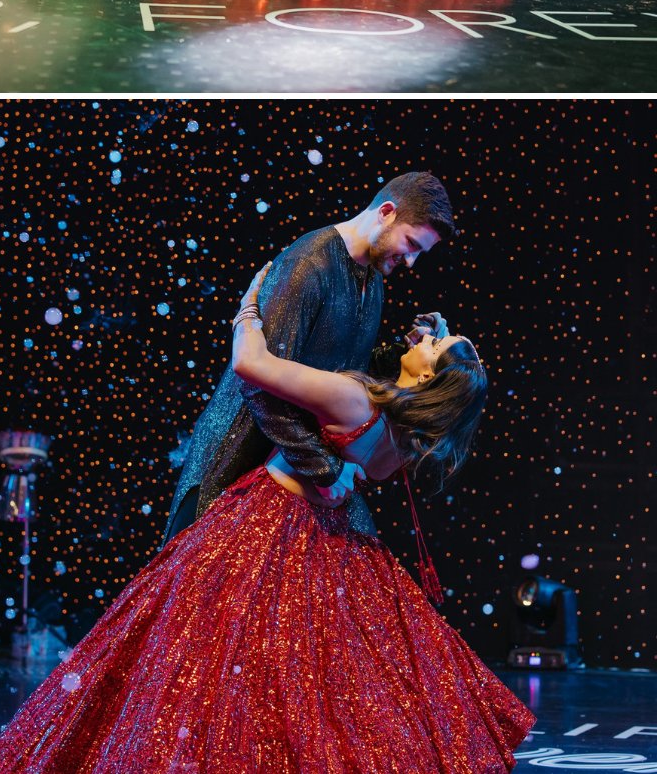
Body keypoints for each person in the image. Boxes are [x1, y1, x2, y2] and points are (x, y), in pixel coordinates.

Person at [0, 271, 534, 773]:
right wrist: (433, 344)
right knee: (314, 669)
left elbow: (252, 365)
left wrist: (248, 308)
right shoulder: (407, 436)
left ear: (429, 374)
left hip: (271, 518)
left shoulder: (353, 398)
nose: (425, 340)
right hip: (332, 534)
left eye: (432, 346)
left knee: (217, 652)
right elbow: (396, 394)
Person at [166, 170, 454, 544]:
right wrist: (324, 467)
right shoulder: (309, 265)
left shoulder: (372, 277)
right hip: (234, 466)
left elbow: (340, 374)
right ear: (386, 212)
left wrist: (410, 351)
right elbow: (258, 383)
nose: (412, 262)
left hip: (285, 478)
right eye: (412, 244)